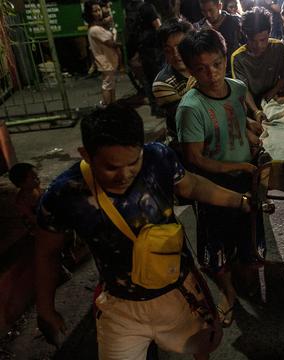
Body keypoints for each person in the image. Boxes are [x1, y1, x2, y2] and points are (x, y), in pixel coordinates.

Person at [34, 103, 253, 359]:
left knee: (202, 346)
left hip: (180, 291)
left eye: (133, 162)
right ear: (86, 154)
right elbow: (46, 253)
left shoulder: (158, 158)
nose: (124, 174)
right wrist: (45, 309)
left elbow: (190, 186)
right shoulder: (65, 194)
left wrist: (240, 200)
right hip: (121, 307)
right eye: (111, 167)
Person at [176, 28, 265, 327]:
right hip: (212, 186)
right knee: (216, 244)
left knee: (247, 233)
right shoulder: (191, 108)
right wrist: (237, 168)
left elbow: (238, 122)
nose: (211, 74)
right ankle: (227, 293)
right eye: (200, 69)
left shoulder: (237, 88)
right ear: (189, 69)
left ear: (225, 58)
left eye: (216, 64)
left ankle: (245, 276)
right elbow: (194, 159)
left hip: (245, 176)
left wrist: (256, 129)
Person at [231, 7, 284, 106]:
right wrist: (255, 111)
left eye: (263, 40)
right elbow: (243, 90)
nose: (259, 46)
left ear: (269, 34)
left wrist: (273, 92)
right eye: (253, 41)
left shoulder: (278, 47)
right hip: (251, 103)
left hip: (275, 99)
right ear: (245, 36)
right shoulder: (238, 58)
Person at [153, 19, 194, 148]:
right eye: (168, 50)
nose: (176, 54)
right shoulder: (162, 83)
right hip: (185, 143)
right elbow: (187, 118)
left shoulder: (203, 67)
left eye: (180, 47)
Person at [82, 0, 119, 107]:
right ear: (90, 13)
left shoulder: (96, 26)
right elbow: (111, 43)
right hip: (105, 60)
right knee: (107, 84)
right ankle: (107, 105)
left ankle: (112, 104)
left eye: (99, 10)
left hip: (107, 59)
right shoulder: (95, 29)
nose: (98, 13)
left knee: (110, 83)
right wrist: (114, 33)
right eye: (95, 11)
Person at [195, 0, 244, 75]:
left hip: (236, 71)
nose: (208, 15)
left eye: (211, 10)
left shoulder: (236, 22)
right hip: (212, 74)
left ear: (219, 6)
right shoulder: (199, 28)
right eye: (204, 11)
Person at [9, 162, 42, 231]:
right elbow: (32, 218)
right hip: (34, 222)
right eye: (34, 178)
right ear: (22, 183)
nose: (38, 180)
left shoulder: (36, 187)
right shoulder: (21, 201)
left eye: (37, 177)